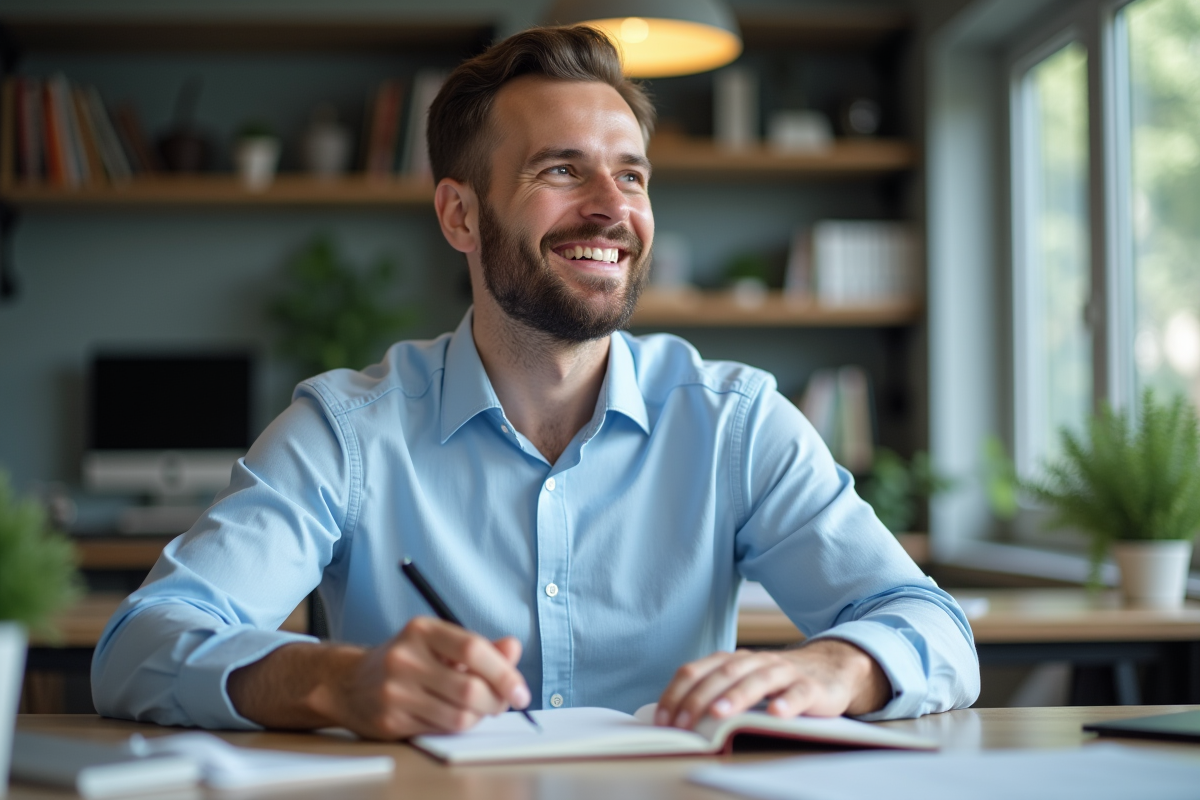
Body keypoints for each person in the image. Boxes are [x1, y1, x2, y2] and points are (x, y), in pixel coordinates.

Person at [92, 26, 978, 739]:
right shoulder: (347, 431)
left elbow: (933, 629)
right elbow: (140, 647)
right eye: (562, 169)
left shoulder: (734, 421)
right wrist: (335, 681)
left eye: (631, 174)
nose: (612, 207)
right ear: (460, 215)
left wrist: (839, 667)